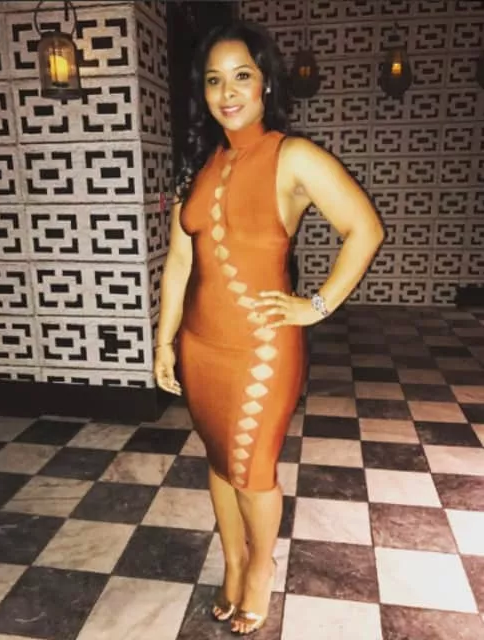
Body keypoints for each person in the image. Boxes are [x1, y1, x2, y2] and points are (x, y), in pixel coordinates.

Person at [154, 20, 384, 635]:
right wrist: (163, 341)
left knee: (252, 470)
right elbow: (179, 263)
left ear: (266, 84)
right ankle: (233, 565)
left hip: (261, 349)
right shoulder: (198, 166)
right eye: (214, 80)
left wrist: (318, 305)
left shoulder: (293, 155)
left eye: (241, 76)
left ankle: (260, 571)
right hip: (200, 347)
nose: (227, 92)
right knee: (219, 461)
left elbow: (364, 228)